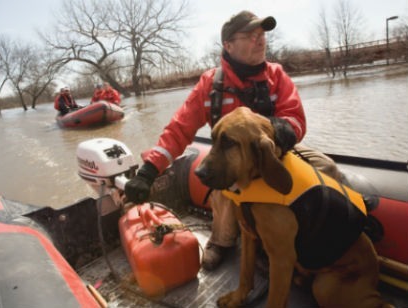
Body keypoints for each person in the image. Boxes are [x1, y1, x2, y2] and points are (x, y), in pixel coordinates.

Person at [124, 10, 341, 271]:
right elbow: (178, 130)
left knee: (327, 169)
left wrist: (269, 135)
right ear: (228, 45)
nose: (260, 40)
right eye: (250, 36)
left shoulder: (277, 75)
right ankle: (222, 241)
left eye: (261, 35)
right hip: (229, 161)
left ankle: (317, 235)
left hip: (273, 153)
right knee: (225, 183)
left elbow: (295, 119)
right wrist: (148, 171)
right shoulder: (209, 84)